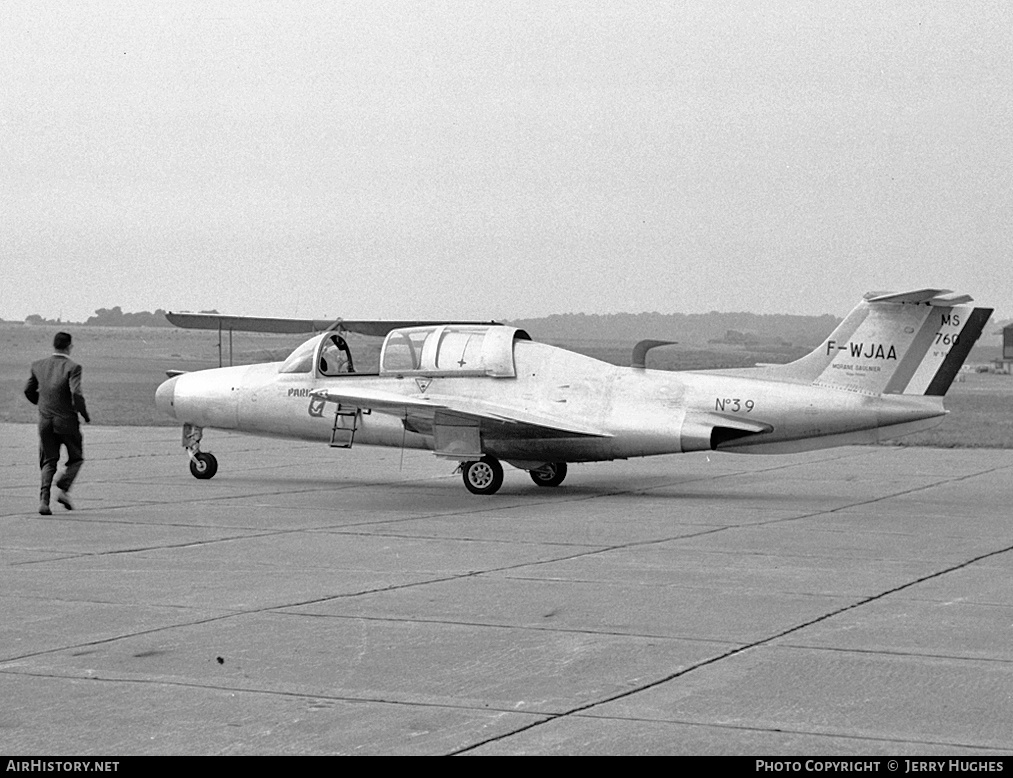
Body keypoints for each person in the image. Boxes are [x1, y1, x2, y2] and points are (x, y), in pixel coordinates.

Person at [24, 331, 91, 515]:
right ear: (69, 346)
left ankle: (44, 500)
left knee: (48, 460)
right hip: (67, 421)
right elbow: (76, 393)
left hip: (45, 421)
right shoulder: (73, 367)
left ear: (54, 344)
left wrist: (43, 405)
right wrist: (84, 414)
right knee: (76, 457)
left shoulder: (38, 365)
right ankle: (63, 487)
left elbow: (28, 390)